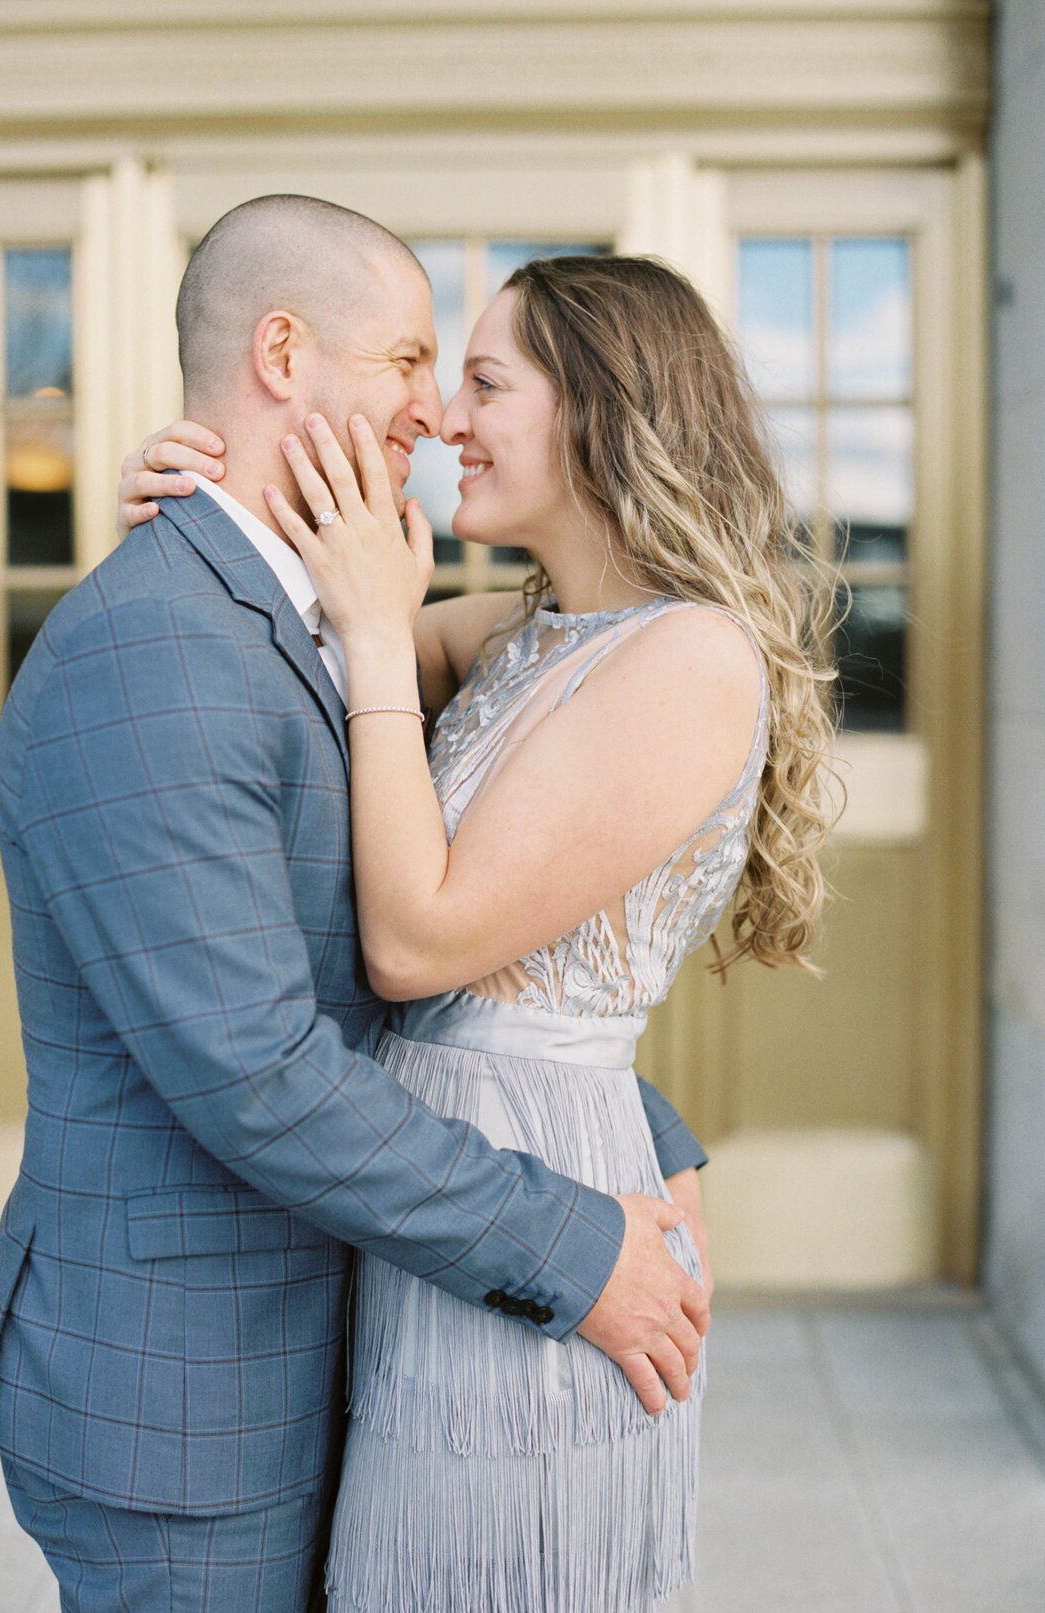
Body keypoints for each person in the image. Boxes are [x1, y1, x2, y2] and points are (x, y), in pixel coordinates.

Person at [0, 196, 716, 1613]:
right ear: (285, 352)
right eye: (415, 364)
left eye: (469, 380)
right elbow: (259, 1073)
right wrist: (573, 1243)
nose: (433, 417)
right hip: (186, 1410)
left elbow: (470, 926)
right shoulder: (154, 648)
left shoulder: (325, 617)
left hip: (316, 1353)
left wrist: (631, 1119)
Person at [121, 252, 836, 1610]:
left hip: (545, 1192)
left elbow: (418, 939)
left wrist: (383, 635)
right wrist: (202, 510)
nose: (446, 418)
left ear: (604, 410)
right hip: (446, 1181)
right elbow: (307, 641)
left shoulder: (691, 657)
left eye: (487, 382)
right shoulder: (535, 632)